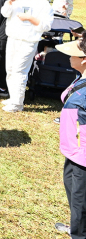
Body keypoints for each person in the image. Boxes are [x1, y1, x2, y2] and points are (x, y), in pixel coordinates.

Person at [0, 0, 54, 112]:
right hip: (13, 38)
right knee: (10, 69)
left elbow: (47, 25)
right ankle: (13, 97)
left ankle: (17, 104)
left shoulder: (43, 3)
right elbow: (5, 13)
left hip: (28, 41)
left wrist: (30, 18)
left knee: (20, 71)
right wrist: (10, 2)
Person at [54, 36, 86, 238]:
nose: (68, 55)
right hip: (72, 148)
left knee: (80, 197)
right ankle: (78, 227)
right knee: (72, 189)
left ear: (84, 59)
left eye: (73, 52)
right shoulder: (80, 77)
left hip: (82, 153)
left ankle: (79, 234)